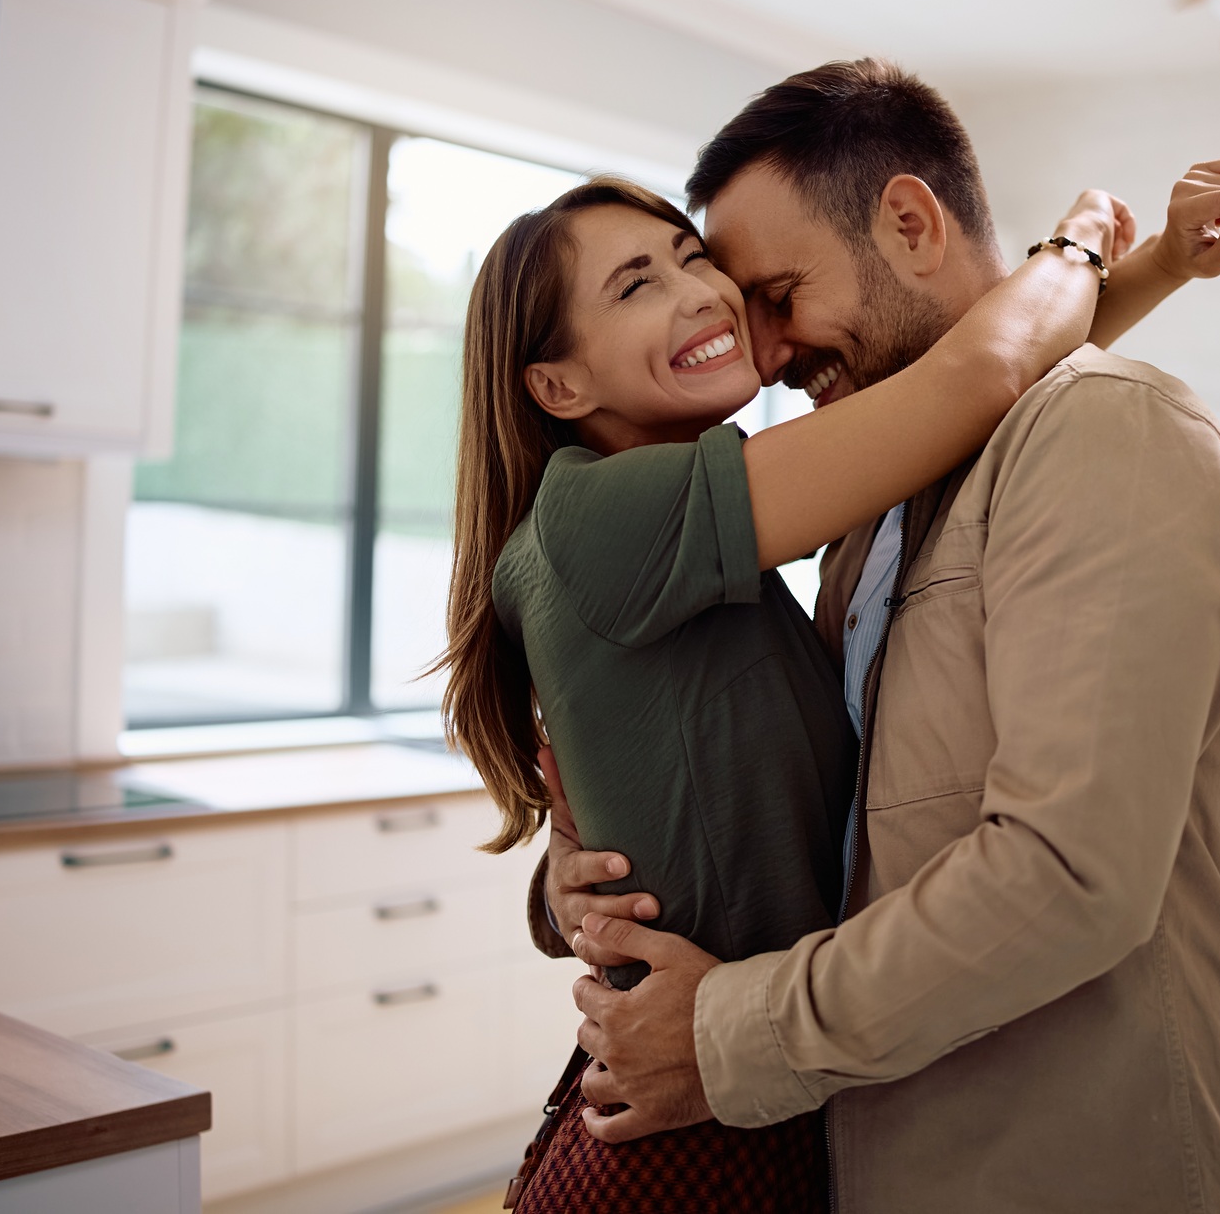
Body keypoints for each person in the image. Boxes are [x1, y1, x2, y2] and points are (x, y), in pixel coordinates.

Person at [543, 60, 1220, 1214]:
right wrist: (580, 872)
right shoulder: (873, 516)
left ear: (905, 220)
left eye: (778, 293)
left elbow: (1064, 874)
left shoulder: (1106, 439)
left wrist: (722, 1034)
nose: (768, 352)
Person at [445, 159, 1174, 1211]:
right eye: (635, 283)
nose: (700, 292)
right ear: (558, 387)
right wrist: (1084, 238)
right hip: (693, 1136)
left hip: (743, 1095)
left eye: (695, 259)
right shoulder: (606, 520)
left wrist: (1155, 271)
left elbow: (971, 413)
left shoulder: (676, 541)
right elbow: (977, 377)